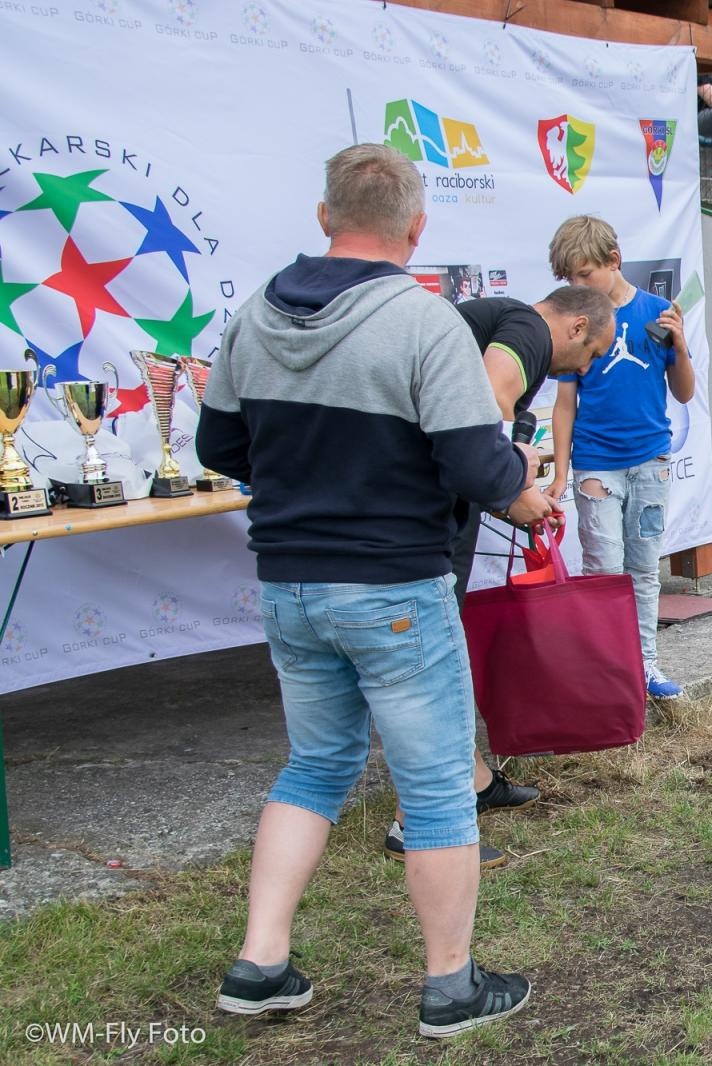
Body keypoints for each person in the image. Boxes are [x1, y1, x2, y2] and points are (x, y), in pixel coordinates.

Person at [198, 144, 546, 1037]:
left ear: (324, 217)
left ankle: (261, 962)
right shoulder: (424, 322)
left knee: (313, 767)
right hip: (394, 583)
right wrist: (520, 475)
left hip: (290, 583)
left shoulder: (253, 315)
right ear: (417, 228)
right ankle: (450, 988)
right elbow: (476, 466)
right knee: (434, 788)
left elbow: (218, 450)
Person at [384, 286, 618, 870]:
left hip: (431, 500)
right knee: (433, 664)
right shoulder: (528, 331)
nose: (585, 368)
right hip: (423, 514)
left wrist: (517, 483)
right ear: (575, 326)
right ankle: (414, 823)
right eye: (591, 353)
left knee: (445, 654)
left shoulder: (500, 325)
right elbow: (488, 399)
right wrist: (515, 482)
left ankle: (477, 779)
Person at [549, 215, 697, 701]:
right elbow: (565, 402)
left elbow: (683, 391)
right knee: (603, 569)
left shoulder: (657, 311)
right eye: (570, 279)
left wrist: (679, 344)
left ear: (614, 261)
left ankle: (645, 663)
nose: (578, 287)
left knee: (643, 569)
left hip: (650, 461)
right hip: (596, 464)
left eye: (585, 275)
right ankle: (605, 669)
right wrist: (563, 472)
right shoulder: (576, 324)